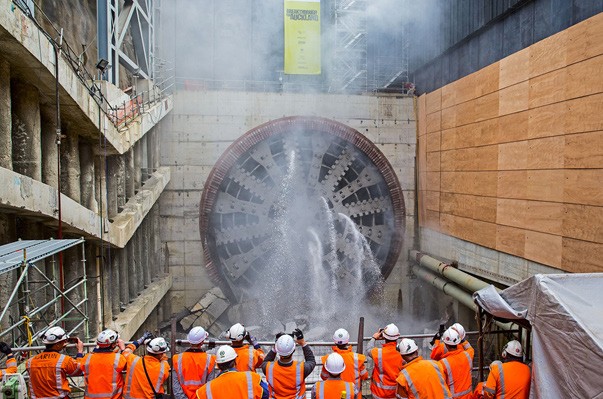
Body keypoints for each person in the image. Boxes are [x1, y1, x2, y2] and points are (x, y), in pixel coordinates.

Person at [26, 326, 85, 399]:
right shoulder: (63, 360)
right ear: (57, 344)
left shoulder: (30, 362)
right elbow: (78, 369)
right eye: (63, 341)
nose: (65, 343)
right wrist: (80, 351)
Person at [196, 345, 268, 399]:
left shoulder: (206, 389)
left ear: (217, 365)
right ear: (235, 361)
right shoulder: (252, 378)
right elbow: (266, 394)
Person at [261, 329, 316, 399]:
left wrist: (276, 346)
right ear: (293, 350)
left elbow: (265, 361)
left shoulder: (268, 368)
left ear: (277, 349)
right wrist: (303, 343)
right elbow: (311, 361)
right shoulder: (301, 369)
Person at [320, 328, 368, 399]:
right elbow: (365, 376)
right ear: (347, 341)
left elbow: (324, 377)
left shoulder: (329, 359)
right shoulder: (357, 358)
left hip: (334, 395)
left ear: (335, 342)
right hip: (354, 395)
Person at [79, 329, 128, 399]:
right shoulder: (118, 358)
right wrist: (123, 349)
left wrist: (79, 352)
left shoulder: (88, 358)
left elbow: (77, 366)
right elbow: (130, 364)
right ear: (114, 344)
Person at [172, 326, 216, 399]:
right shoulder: (210, 359)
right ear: (202, 342)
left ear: (189, 341)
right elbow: (209, 387)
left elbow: (176, 386)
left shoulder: (177, 359)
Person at [122, 334, 171, 399]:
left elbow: (126, 351)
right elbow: (164, 359)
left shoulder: (134, 361)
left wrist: (140, 340)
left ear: (148, 350)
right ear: (161, 354)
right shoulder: (163, 367)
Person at [365, 324, 403, 399]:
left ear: (384, 336)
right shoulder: (402, 353)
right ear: (397, 337)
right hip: (396, 393)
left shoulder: (378, 353)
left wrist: (374, 338)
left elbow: (368, 349)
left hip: (379, 394)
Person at [437, 328, 473, 399]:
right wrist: (462, 339)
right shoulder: (468, 355)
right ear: (457, 343)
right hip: (469, 396)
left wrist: (437, 340)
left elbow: (441, 385)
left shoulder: (442, 363)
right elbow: (470, 348)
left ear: (446, 345)